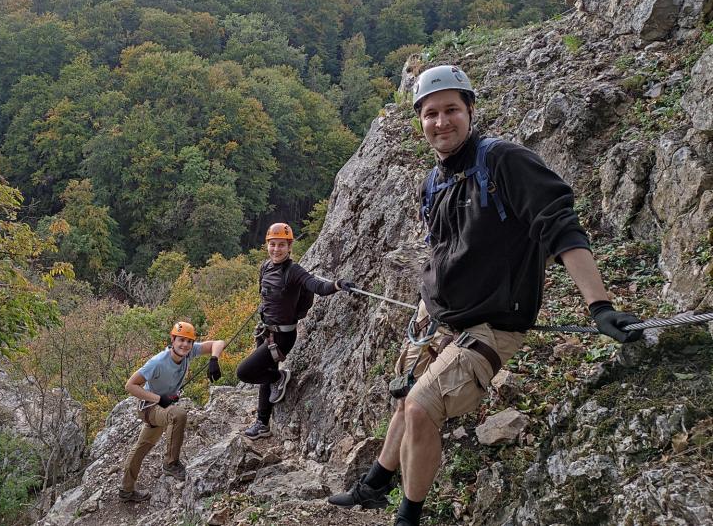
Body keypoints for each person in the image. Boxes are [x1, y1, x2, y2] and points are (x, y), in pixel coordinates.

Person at [325, 65, 644, 525]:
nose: (441, 122)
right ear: (420, 120)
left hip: (493, 325)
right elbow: (443, 247)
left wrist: (599, 305)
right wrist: (426, 305)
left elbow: (559, 226)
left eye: (451, 109)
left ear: (470, 111)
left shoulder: (503, 162)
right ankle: (375, 484)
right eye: (431, 113)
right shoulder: (432, 181)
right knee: (404, 396)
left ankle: (408, 516)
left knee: (420, 409)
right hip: (436, 315)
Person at [236, 222, 354, 440]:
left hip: (282, 337)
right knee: (264, 374)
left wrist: (337, 284)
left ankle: (279, 376)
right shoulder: (265, 267)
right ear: (267, 245)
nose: (276, 249)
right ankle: (262, 423)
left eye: (281, 245)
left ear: (289, 247)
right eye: (272, 244)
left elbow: (316, 286)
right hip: (266, 331)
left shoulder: (294, 271)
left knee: (244, 372)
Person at [119, 321, 226, 502]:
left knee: (142, 447)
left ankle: (126, 491)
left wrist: (214, 359)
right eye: (181, 340)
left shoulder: (189, 352)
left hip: (162, 407)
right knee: (178, 415)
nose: (185, 345)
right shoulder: (158, 362)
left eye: (189, 341)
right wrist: (160, 399)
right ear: (173, 340)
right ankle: (171, 463)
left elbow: (219, 342)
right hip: (151, 407)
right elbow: (130, 386)